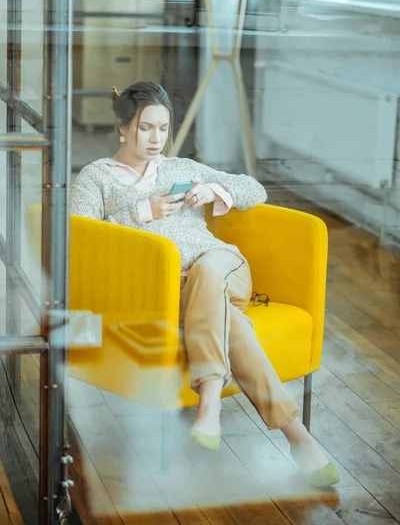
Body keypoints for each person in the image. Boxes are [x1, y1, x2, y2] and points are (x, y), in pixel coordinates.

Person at [70, 81, 340, 488]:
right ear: (122, 127)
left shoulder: (182, 168)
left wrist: (214, 190)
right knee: (229, 320)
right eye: (146, 128)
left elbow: (255, 189)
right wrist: (141, 212)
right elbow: (82, 239)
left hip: (222, 266)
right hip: (171, 293)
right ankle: (297, 436)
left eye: (164, 128)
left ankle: (209, 402)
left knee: (207, 273)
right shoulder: (95, 179)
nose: (157, 139)